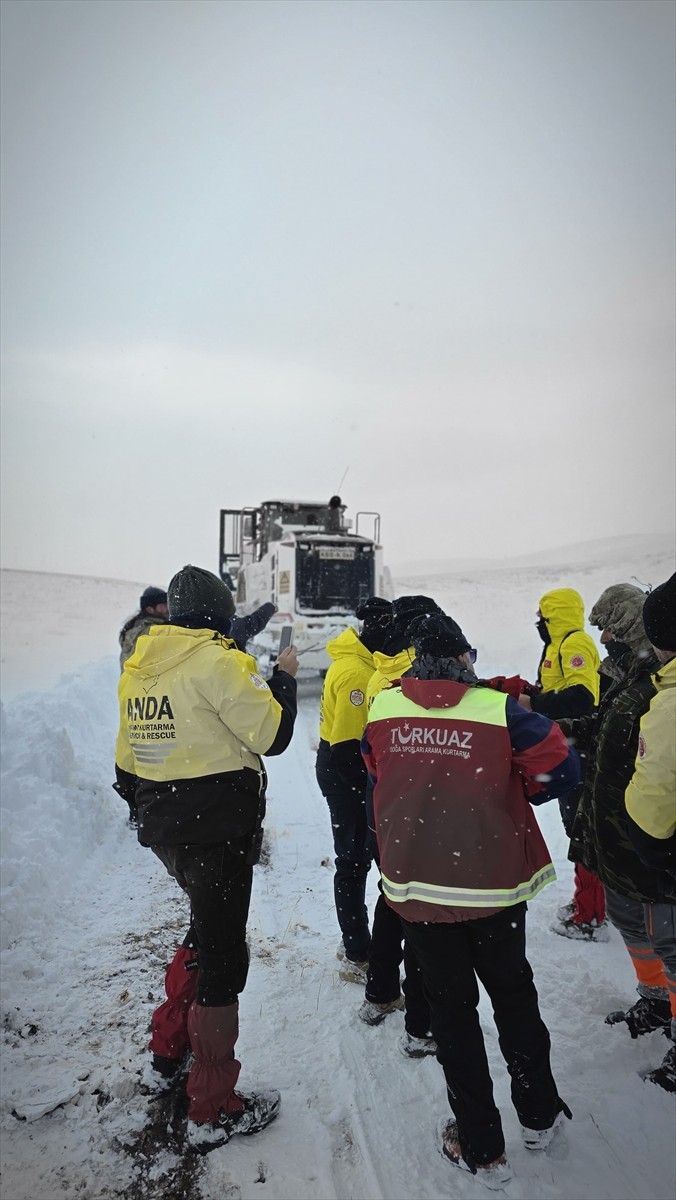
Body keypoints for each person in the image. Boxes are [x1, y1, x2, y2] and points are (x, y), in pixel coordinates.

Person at [362, 614, 579, 1187]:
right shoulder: (500, 712)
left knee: (451, 1014)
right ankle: (538, 1116)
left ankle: (483, 1148)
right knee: (513, 996)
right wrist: (516, 786)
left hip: (419, 890)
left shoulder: (383, 708)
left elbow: (376, 767)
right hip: (493, 889)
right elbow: (561, 769)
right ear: (462, 659)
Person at [114, 564, 298, 1152]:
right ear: (219, 616)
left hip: (167, 830)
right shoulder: (220, 662)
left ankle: (167, 1052)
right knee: (222, 960)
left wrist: (165, 811)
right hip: (218, 832)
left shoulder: (139, 666)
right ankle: (212, 1106)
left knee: (204, 928)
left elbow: (124, 768)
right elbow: (272, 736)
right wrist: (284, 682)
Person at [559, 584, 674, 1040]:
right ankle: (657, 1001)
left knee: (667, 940)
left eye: (609, 627)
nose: (602, 639)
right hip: (615, 837)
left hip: (649, 843)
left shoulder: (661, 684)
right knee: (631, 924)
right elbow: (603, 726)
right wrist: (551, 730)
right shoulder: (637, 671)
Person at [357, 596, 443, 1055]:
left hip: (386, 803)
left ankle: (379, 991)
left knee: (393, 896)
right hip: (414, 807)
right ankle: (421, 1023)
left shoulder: (381, 670)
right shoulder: (409, 673)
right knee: (423, 912)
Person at [518, 587, 605, 940]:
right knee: (576, 825)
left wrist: (536, 704)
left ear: (556, 617)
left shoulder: (574, 644)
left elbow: (584, 696)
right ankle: (590, 902)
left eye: (544, 618)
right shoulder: (556, 645)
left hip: (580, 746)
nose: (539, 624)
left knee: (583, 831)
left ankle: (591, 915)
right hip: (567, 744)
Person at [315, 597, 393, 982]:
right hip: (346, 774)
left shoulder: (365, 664)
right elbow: (347, 751)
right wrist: (371, 798)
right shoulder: (355, 675)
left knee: (361, 858)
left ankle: (363, 945)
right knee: (353, 859)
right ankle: (357, 952)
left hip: (349, 769)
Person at [623, 571, 676, 1093]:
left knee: (673, 944)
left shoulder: (670, 702)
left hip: (666, 851)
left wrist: (651, 844)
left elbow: (656, 790)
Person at [118, 586, 169, 670]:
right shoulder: (150, 630)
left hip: (131, 682)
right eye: (162, 606)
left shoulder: (133, 627)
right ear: (149, 609)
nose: (167, 609)